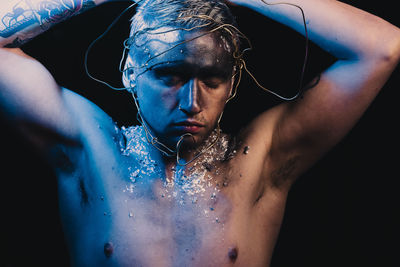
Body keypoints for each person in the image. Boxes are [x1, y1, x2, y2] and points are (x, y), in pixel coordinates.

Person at [1, 0, 399, 266]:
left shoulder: (258, 162)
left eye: (212, 78)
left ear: (233, 81)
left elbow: (382, 46)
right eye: (169, 75)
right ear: (129, 72)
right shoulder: (92, 150)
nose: (192, 101)